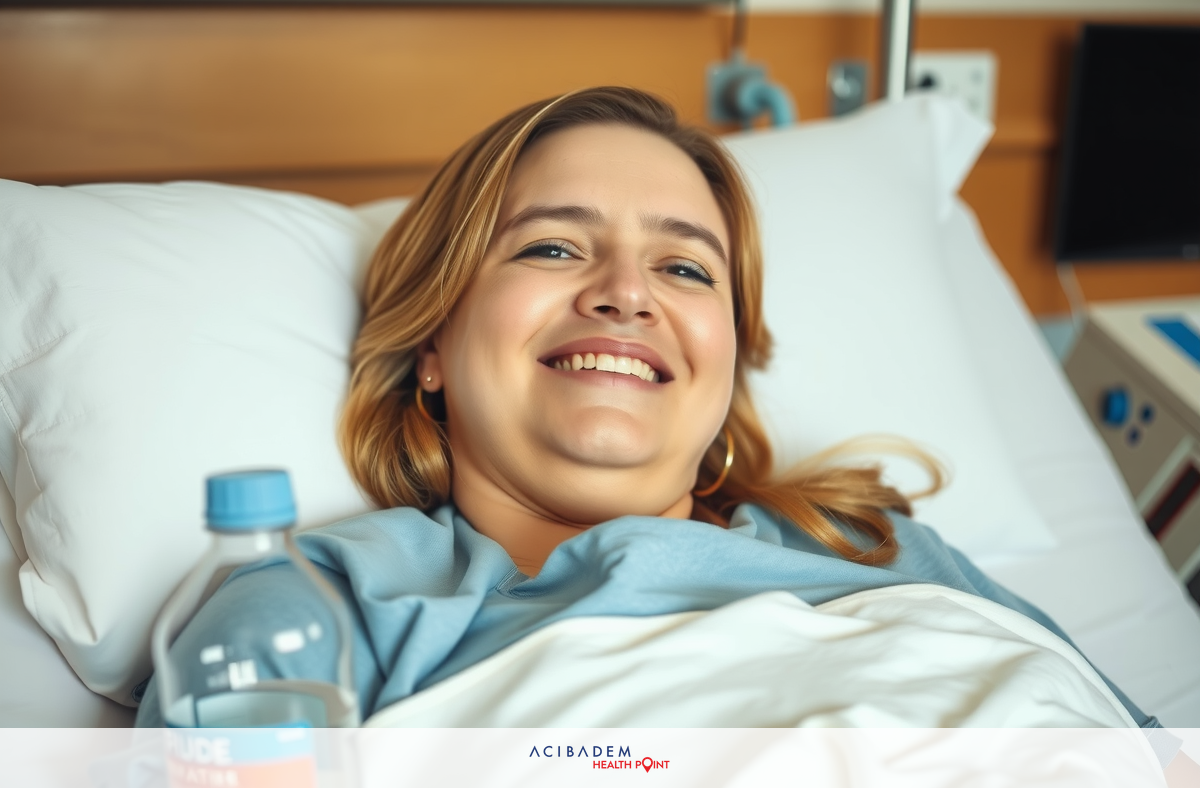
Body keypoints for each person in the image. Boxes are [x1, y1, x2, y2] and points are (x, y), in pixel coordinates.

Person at [134, 87, 1164, 738]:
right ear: (433, 345)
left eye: (683, 265)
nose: (628, 292)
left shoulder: (881, 548)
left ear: (722, 376)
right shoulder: (319, 605)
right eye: (551, 246)